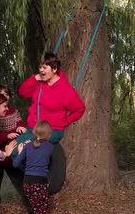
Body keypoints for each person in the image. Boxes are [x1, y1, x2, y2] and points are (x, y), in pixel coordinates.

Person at [15, 52, 85, 194]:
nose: (41, 70)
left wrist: (65, 121)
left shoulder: (65, 90)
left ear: (54, 69)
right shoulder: (39, 83)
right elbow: (22, 92)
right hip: (32, 128)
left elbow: (79, 109)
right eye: (40, 67)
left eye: (45, 67)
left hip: (52, 130)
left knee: (30, 149)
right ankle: (35, 175)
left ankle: (40, 180)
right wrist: (35, 78)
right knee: (14, 150)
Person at [0, 85, 34, 214]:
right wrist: (7, 135)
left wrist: (21, 126)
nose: (6, 97)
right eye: (2, 95)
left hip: (11, 157)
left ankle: (33, 213)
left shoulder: (12, 111)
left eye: (7, 94)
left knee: (22, 185)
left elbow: (20, 124)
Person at [14, 121, 55, 214]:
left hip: (27, 182)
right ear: (49, 134)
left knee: (37, 212)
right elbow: (48, 163)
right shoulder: (50, 147)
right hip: (40, 183)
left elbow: (15, 164)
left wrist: (21, 151)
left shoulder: (27, 146)